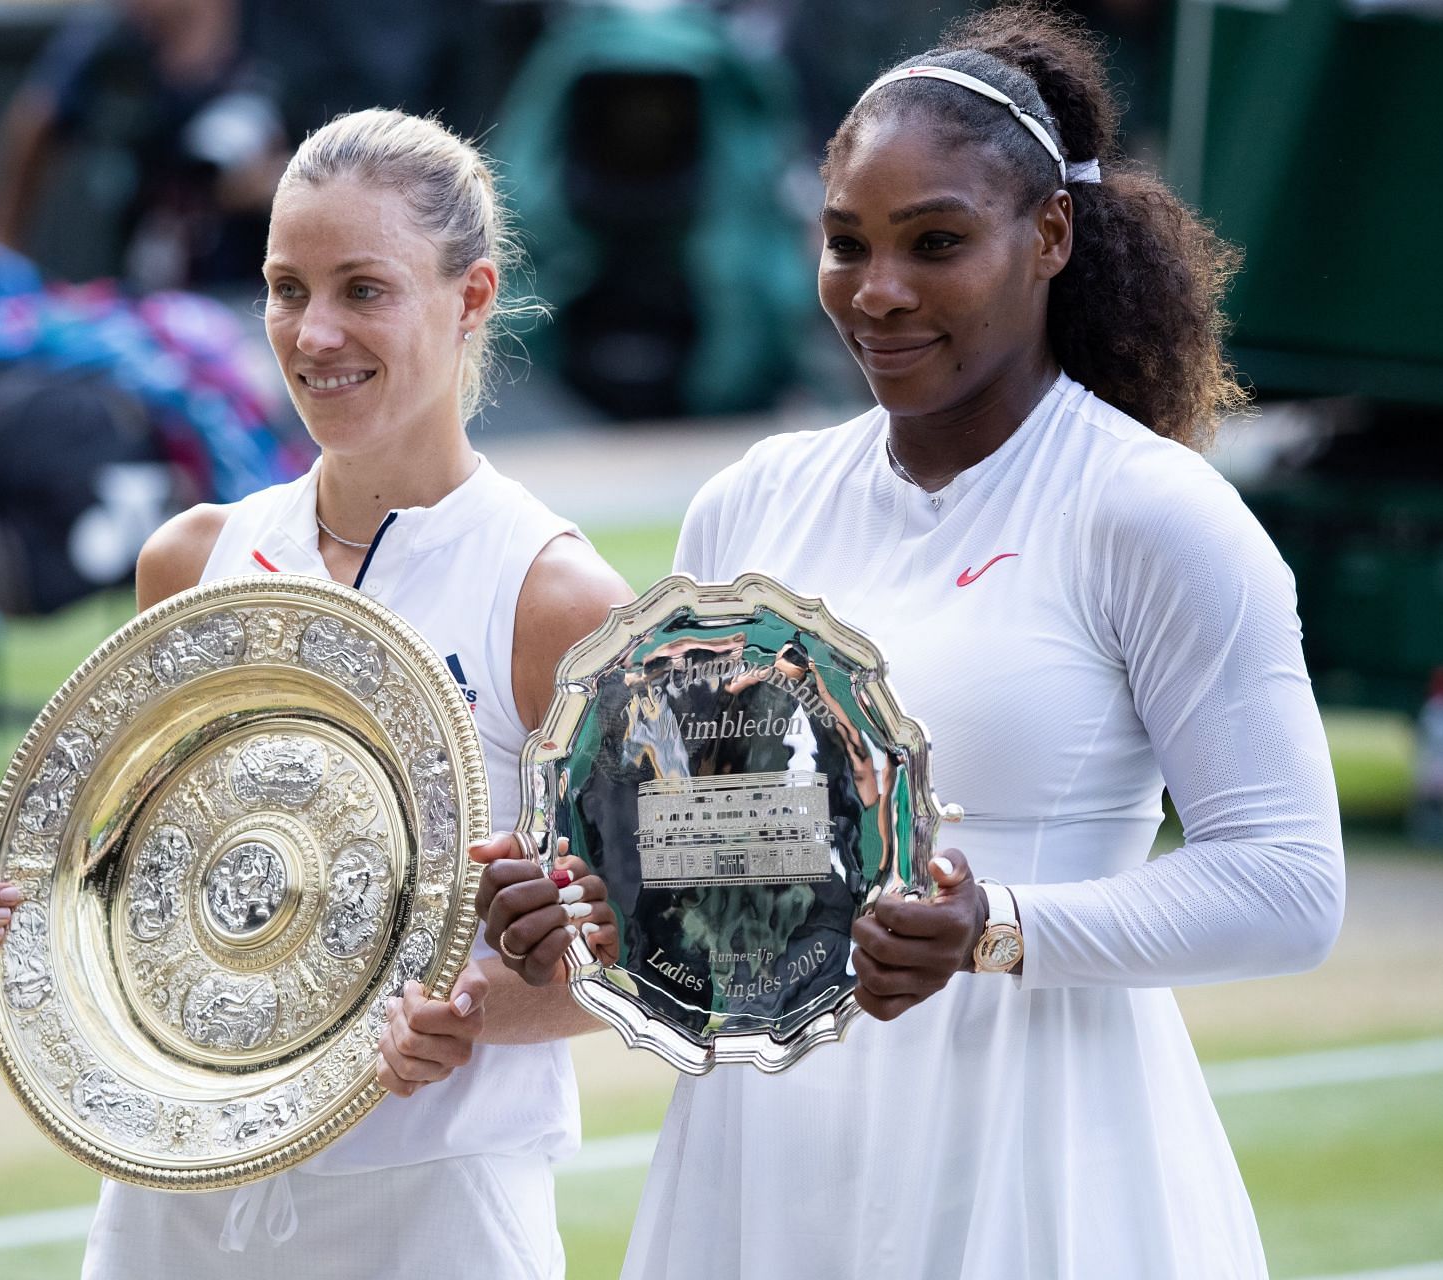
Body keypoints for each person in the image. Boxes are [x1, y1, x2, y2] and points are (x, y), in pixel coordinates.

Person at [478, 7, 1347, 1277]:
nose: (878, 292)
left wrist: (997, 923)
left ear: (1049, 235)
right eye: (846, 244)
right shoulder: (752, 502)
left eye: (935, 242)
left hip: (1039, 1163)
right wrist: (581, 896)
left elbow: (1289, 887)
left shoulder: (1153, 513)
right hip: (763, 1166)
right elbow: (708, 856)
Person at [0, 108, 634, 1278]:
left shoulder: (552, 595)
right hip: (173, 1197)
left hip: (439, 1209)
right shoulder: (189, 562)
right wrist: (18, 913)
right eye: (284, 286)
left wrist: (467, 1009)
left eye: (365, 289)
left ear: (471, 297)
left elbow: (634, 949)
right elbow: (136, 885)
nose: (314, 333)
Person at [0, 0, 287, 292]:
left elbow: (332, 135)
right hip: (149, 280)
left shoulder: (284, 25)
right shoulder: (110, 36)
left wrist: (282, 183)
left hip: (264, 278)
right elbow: (37, 119)